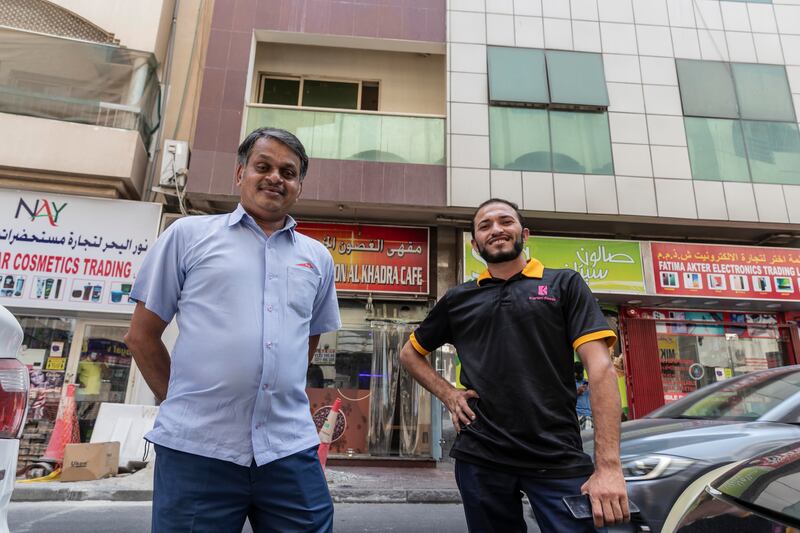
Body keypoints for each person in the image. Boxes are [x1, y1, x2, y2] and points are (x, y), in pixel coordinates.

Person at [125, 127, 341, 533]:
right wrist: (178, 401)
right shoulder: (189, 236)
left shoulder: (318, 258)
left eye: (288, 172)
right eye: (264, 166)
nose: (276, 177)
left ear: (299, 186)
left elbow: (308, 339)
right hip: (198, 449)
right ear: (240, 174)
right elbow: (141, 335)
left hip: (288, 449)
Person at [399, 198, 629, 532]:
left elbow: (601, 369)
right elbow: (409, 353)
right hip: (482, 454)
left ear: (524, 233)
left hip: (557, 454)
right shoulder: (458, 300)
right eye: (485, 225)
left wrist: (608, 466)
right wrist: (449, 394)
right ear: (475, 244)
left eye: (505, 221)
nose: (496, 229)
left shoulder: (564, 284)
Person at [575, 362, 593, 430]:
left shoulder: (588, 382)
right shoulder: (570, 384)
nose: (580, 375)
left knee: (587, 435)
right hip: (576, 415)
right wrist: (577, 392)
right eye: (578, 373)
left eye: (581, 373)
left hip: (587, 415)